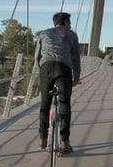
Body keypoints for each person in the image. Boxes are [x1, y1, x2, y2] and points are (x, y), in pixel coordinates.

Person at [34, 12, 81, 154]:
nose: (70, 25)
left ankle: (42, 138)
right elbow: (75, 58)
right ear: (66, 22)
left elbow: (37, 56)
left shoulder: (43, 33)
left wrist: (40, 74)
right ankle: (65, 141)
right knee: (64, 103)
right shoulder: (72, 35)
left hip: (46, 68)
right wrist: (76, 78)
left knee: (45, 103)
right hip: (63, 69)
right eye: (69, 22)